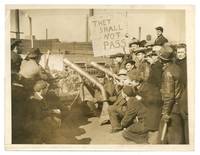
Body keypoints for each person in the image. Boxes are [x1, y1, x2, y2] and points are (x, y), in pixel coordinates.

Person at [121, 76, 162, 144]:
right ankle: (144, 136)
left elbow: (129, 116)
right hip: (150, 118)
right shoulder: (138, 97)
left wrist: (122, 124)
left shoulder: (131, 101)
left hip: (146, 122)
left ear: (125, 94)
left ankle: (142, 140)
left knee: (125, 133)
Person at [158, 46, 185, 144]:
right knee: (176, 134)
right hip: (179, 105)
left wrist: (165, 112)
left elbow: (169, 96)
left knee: (172, 137)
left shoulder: (167, 72)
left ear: (161, 60)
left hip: (172, 108)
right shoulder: (177, 68)